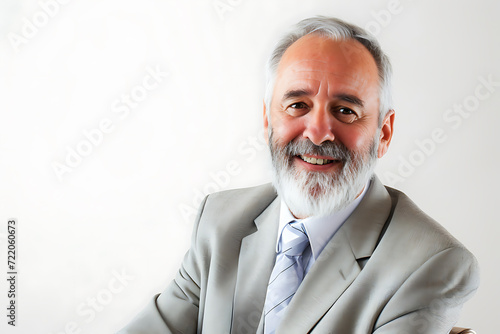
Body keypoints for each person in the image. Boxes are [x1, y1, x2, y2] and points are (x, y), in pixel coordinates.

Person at [117, 16, 479, 334]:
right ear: (267, 120)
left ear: (383, 133)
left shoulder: (433, 264)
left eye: (345, 110)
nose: (318, 132)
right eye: (297, 105)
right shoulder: (219, 220)